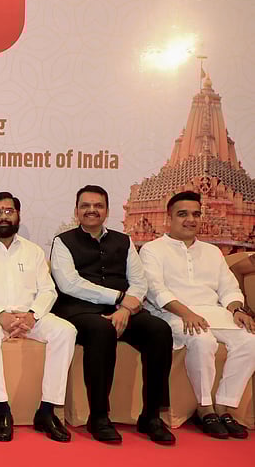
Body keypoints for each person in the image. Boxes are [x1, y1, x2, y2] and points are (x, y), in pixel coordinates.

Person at [50, 185, 174, 445]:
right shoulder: (63, 241)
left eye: (98, 206)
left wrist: (127, 308)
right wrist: (118, 299)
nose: (91, 210)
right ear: (76, 211)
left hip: (123, 310)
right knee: (101, 330)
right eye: (85, 206)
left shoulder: (124, 240)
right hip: (79, 310)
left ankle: (151, 416)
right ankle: (99, 416)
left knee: (159, 330)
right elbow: (69, 284)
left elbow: (139, 281)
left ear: (107, 211)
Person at [0, 192, 76, 442]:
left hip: (29, 316)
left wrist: (33, 315)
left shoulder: (33, 251)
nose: (3, 217)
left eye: (8, 211)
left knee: (66, 331)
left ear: (18, 215)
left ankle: (46, 411)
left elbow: (48, 290)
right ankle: (2, 409)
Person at [140, 191, 255, 439]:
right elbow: (154, 289)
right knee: (203, 341)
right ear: (168, 218)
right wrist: (186, 312)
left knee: (251, 340)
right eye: (183, 214)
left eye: (195, 214)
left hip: (214, 313)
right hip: (173, 313)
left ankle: (224, 407)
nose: (190, 220)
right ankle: (205, 410)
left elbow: (228, 287)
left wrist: (236, 309)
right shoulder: (153, 249)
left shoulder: (212, 252)